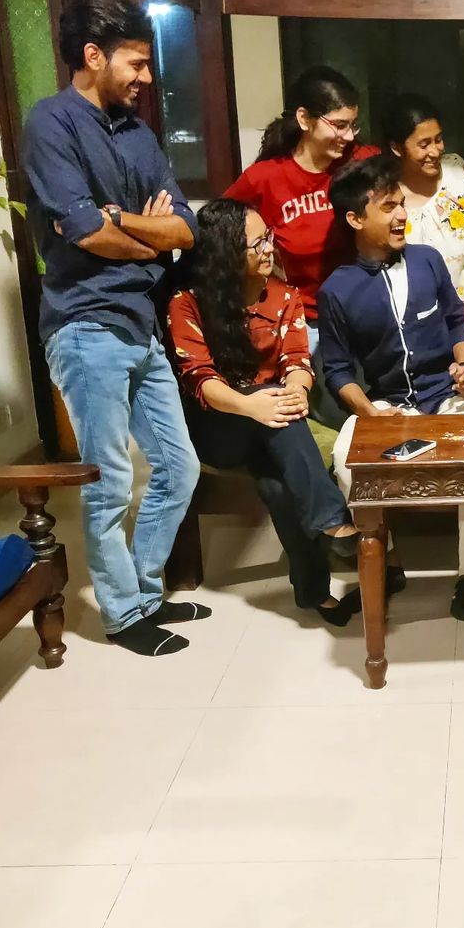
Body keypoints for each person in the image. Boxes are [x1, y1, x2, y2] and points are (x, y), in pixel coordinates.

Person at [22, 0, 202, 657]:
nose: (146, 77)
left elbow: (184, 227)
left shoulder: (138, 134)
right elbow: (81, 231)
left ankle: (145, 592)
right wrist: (145, 237)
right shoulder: (51, 124)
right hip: (84, 324)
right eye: (136, 62)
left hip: (140, 322)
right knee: (109, 480)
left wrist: (120, 219)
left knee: (179, 467)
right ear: (94, 56)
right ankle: (124, 615)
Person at [167, 201, 361, 626]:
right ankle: (334, 521)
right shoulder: (187, 303)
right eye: (256, 244)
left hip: (270, 422)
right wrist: (252, 404)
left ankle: (314, 593)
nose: (268, 248)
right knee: (274, 406)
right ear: (226, 254)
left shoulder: (284, 295)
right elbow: (201, 380)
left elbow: (298, 361)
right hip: (218, 428)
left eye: (268, 237)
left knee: (278, 487)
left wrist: (296, 391)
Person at [318, 155, 464, 622]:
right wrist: (371, 415)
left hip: (446, 395)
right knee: (346, 459)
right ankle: (386, 562)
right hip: (387, 403)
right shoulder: (337, 290)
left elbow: (456, 320)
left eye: (401, 204)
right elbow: (337, 371)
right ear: (355, 219)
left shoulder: (428, 260)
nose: (401, 216)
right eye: (387, 207)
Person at [224, 66, 379, 427]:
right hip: (306, 321)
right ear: (305, 119)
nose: (348, 136)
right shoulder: (266, 178)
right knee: (317, 413)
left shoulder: (362, 161)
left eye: (353, 125)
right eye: (338, 125)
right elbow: (220, 229)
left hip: (363, 314)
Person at [382, 92, 464, 300]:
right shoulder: (387, 197)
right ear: (397, 148)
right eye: (424, 145)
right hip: (423, 310)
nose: (436, 151)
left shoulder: (456, 168)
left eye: (438, 140)